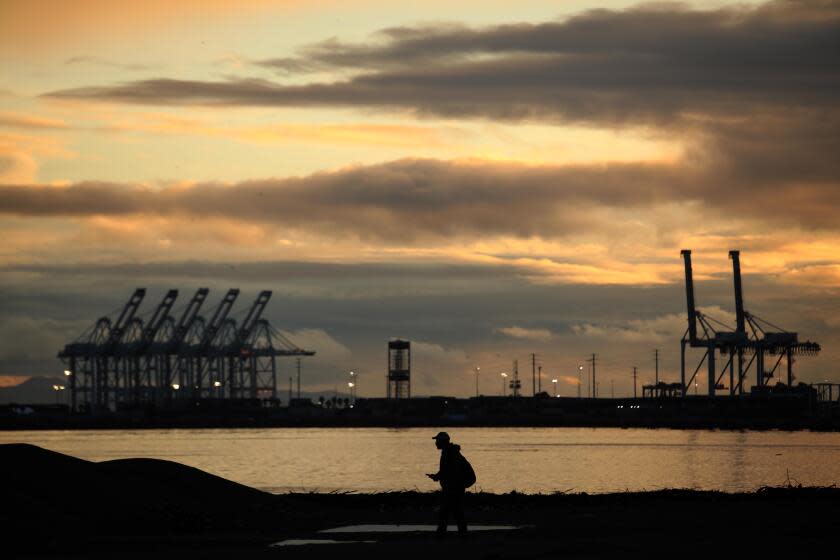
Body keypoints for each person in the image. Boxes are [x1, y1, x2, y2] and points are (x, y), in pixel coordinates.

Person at [426, 431, 468, 536]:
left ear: (442, 442)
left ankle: (442, 535)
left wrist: (439, 477)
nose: (435, 443)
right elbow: (446, 470)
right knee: (456, 513)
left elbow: (450, 470)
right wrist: (437, 476)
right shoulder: (449, 452)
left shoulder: (449, 453)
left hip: (452, 489)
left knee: (446, 513)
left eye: (437, 441)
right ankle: (462, 535)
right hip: (454, 488)